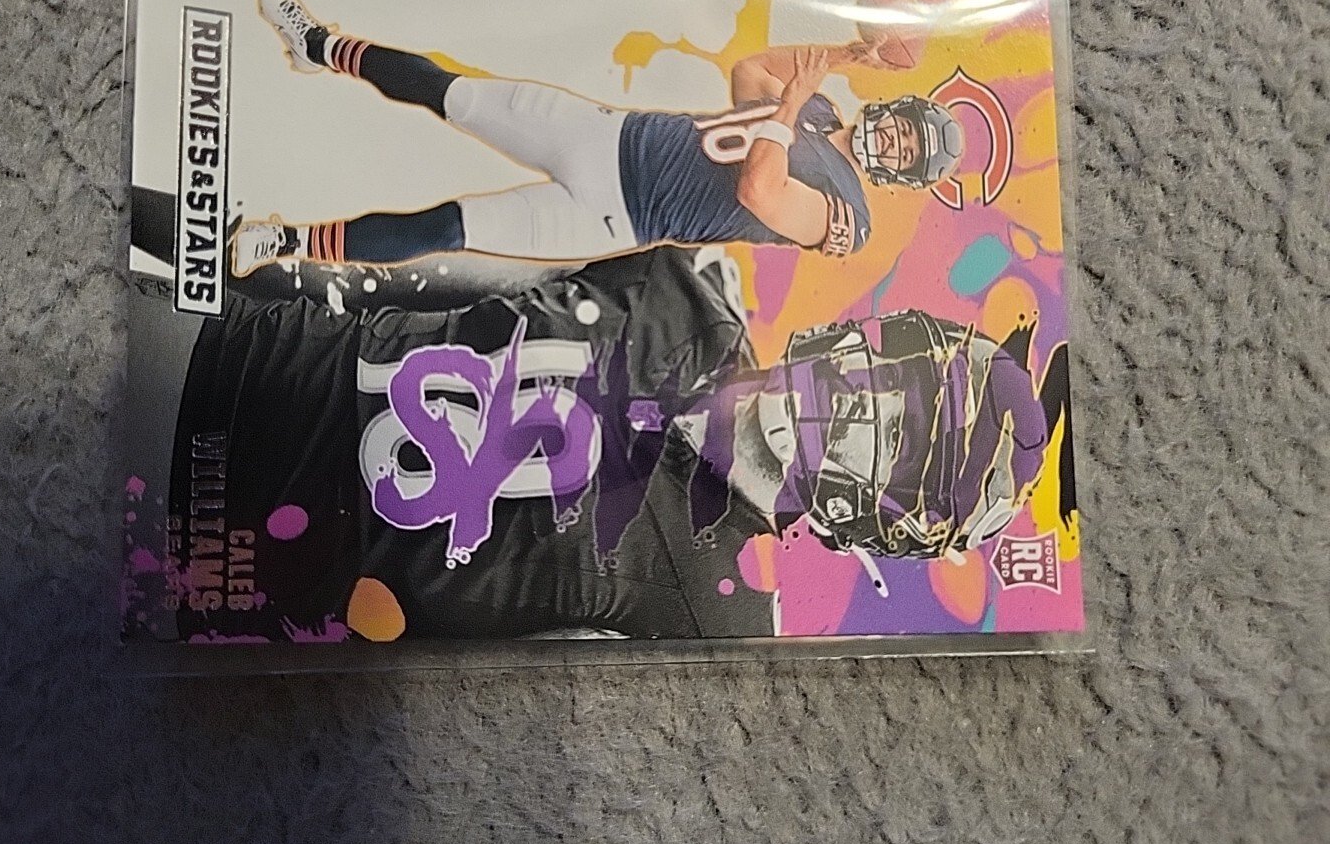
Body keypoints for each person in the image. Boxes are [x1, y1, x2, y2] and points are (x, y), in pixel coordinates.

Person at [159, 245, 1068, 643]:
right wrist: (221, 267)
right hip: (234, 355)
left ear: (888, 519)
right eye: (894, 382)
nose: (863, 408)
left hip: (215, 571)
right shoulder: (684, 287)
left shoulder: (712, 615)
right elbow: (425, 283)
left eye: (900, 440)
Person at [229, 0, 965, 276]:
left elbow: (761, 193)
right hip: (608, 135)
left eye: (907, 152)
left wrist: (791, 104)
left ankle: (287, 243)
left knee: (449, 226)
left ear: (901, 175)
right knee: (454, 94)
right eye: (905, 129)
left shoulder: (850, 215)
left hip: (614, 213)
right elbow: (749, 73)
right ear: (896, 109)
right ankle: (319, 44)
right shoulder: (824, 110)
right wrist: (844, 53)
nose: (894, 141)